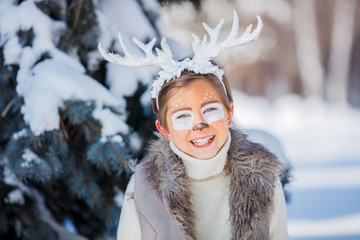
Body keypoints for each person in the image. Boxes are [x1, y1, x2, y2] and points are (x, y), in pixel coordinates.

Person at [99, 10, 288, 240]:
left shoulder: (265, 179)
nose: (199, 123)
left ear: (229, 114)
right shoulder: (144, 189)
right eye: (182, 116)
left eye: (209, 110)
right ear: (164, 130)